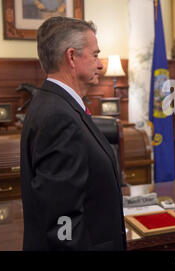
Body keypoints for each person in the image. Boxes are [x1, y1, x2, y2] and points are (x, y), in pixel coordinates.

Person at [20, 16, 126, 250]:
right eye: (96, 55)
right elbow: (62, 220)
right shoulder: (59, 116)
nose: (100, 64)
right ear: (71, 57)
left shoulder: (55, 104)